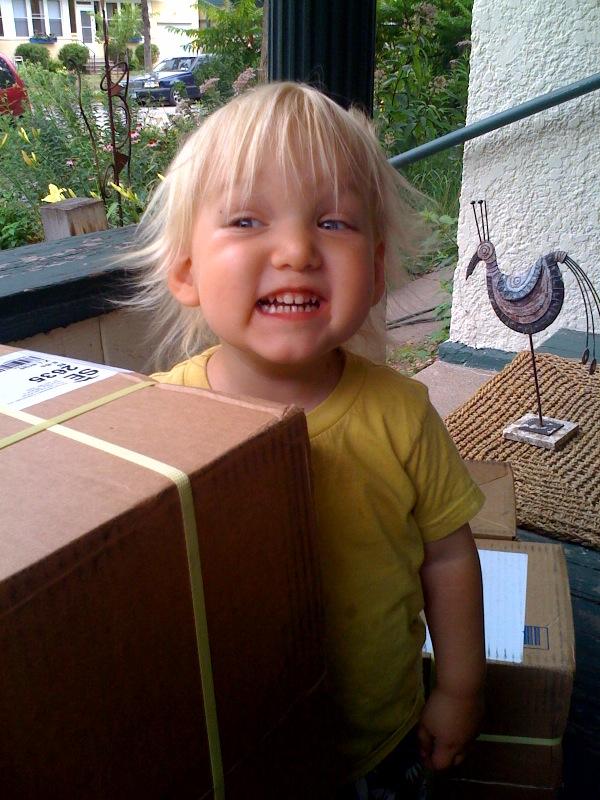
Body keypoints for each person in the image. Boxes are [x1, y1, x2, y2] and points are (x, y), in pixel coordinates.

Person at [127, 81, 486, 798]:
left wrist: (460, 688)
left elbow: (448, 558)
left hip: (379, 742)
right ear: (187, 271)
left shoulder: (401, 415)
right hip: (232, 747)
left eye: (333, 222)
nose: (296, 250)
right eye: (247, 219)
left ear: (376, 271)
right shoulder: (158, 416)